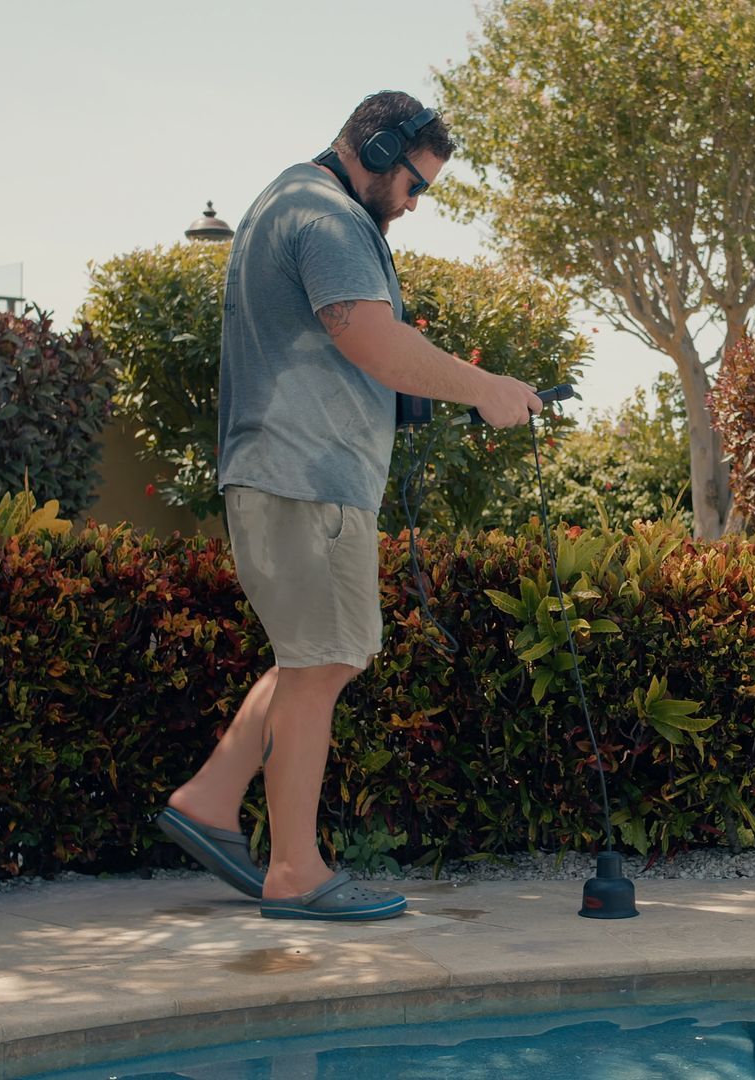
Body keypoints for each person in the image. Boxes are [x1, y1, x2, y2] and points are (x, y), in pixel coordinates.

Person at [157, 91, 544, 921]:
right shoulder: (329, 218)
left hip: (286, 477)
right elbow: (371, 339)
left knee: (312, 657)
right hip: (307, 481)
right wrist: (487, 392)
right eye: (415, 185)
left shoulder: (288, 200)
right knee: (325, 663)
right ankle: (295, 870)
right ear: (374, 148)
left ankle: (209, 800)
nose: (413, 205)